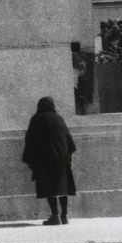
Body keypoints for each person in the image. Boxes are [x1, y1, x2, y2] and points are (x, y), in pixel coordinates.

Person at [21, 96, 77, 225]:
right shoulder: (59, 119)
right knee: (63, 187)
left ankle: (55, 216)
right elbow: (69, 140)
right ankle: (64, 216)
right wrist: (70, 157)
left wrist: (30, 160)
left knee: (49, 187)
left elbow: (30, 141)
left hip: (44, 160)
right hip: (62, 159)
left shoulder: (36, 119)